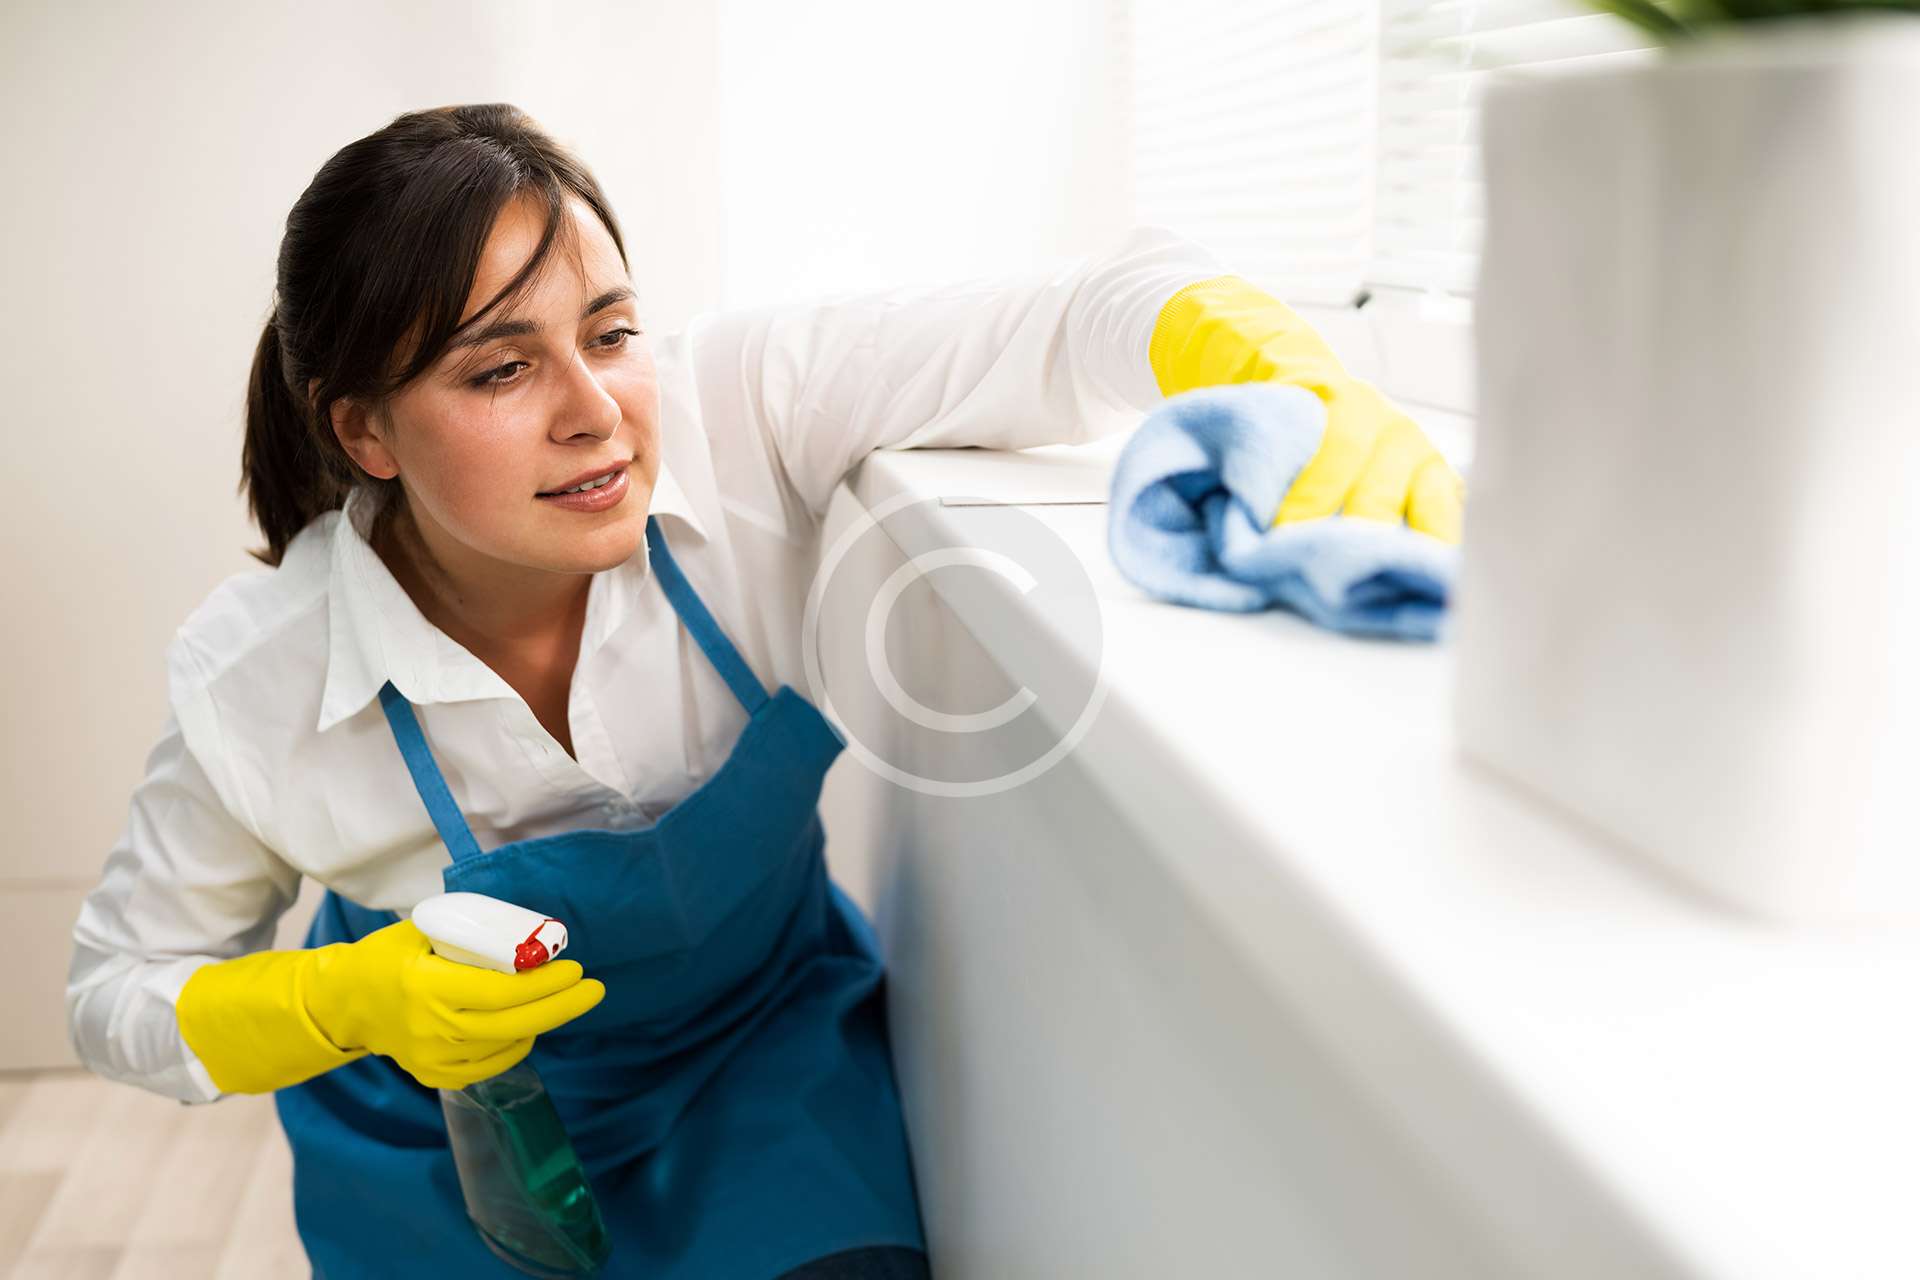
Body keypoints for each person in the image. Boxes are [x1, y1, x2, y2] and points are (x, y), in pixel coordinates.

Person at [65, 103, 1461, 1279]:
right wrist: (339, 1004)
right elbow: (116, 991)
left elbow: (1075, 315)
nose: (595, 410)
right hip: (452, 1137)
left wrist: (1280, 373)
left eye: (608, 334)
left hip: (756, 1056)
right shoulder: (260, 679)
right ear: (361, 428)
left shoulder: (737, 414)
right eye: (502, 367)